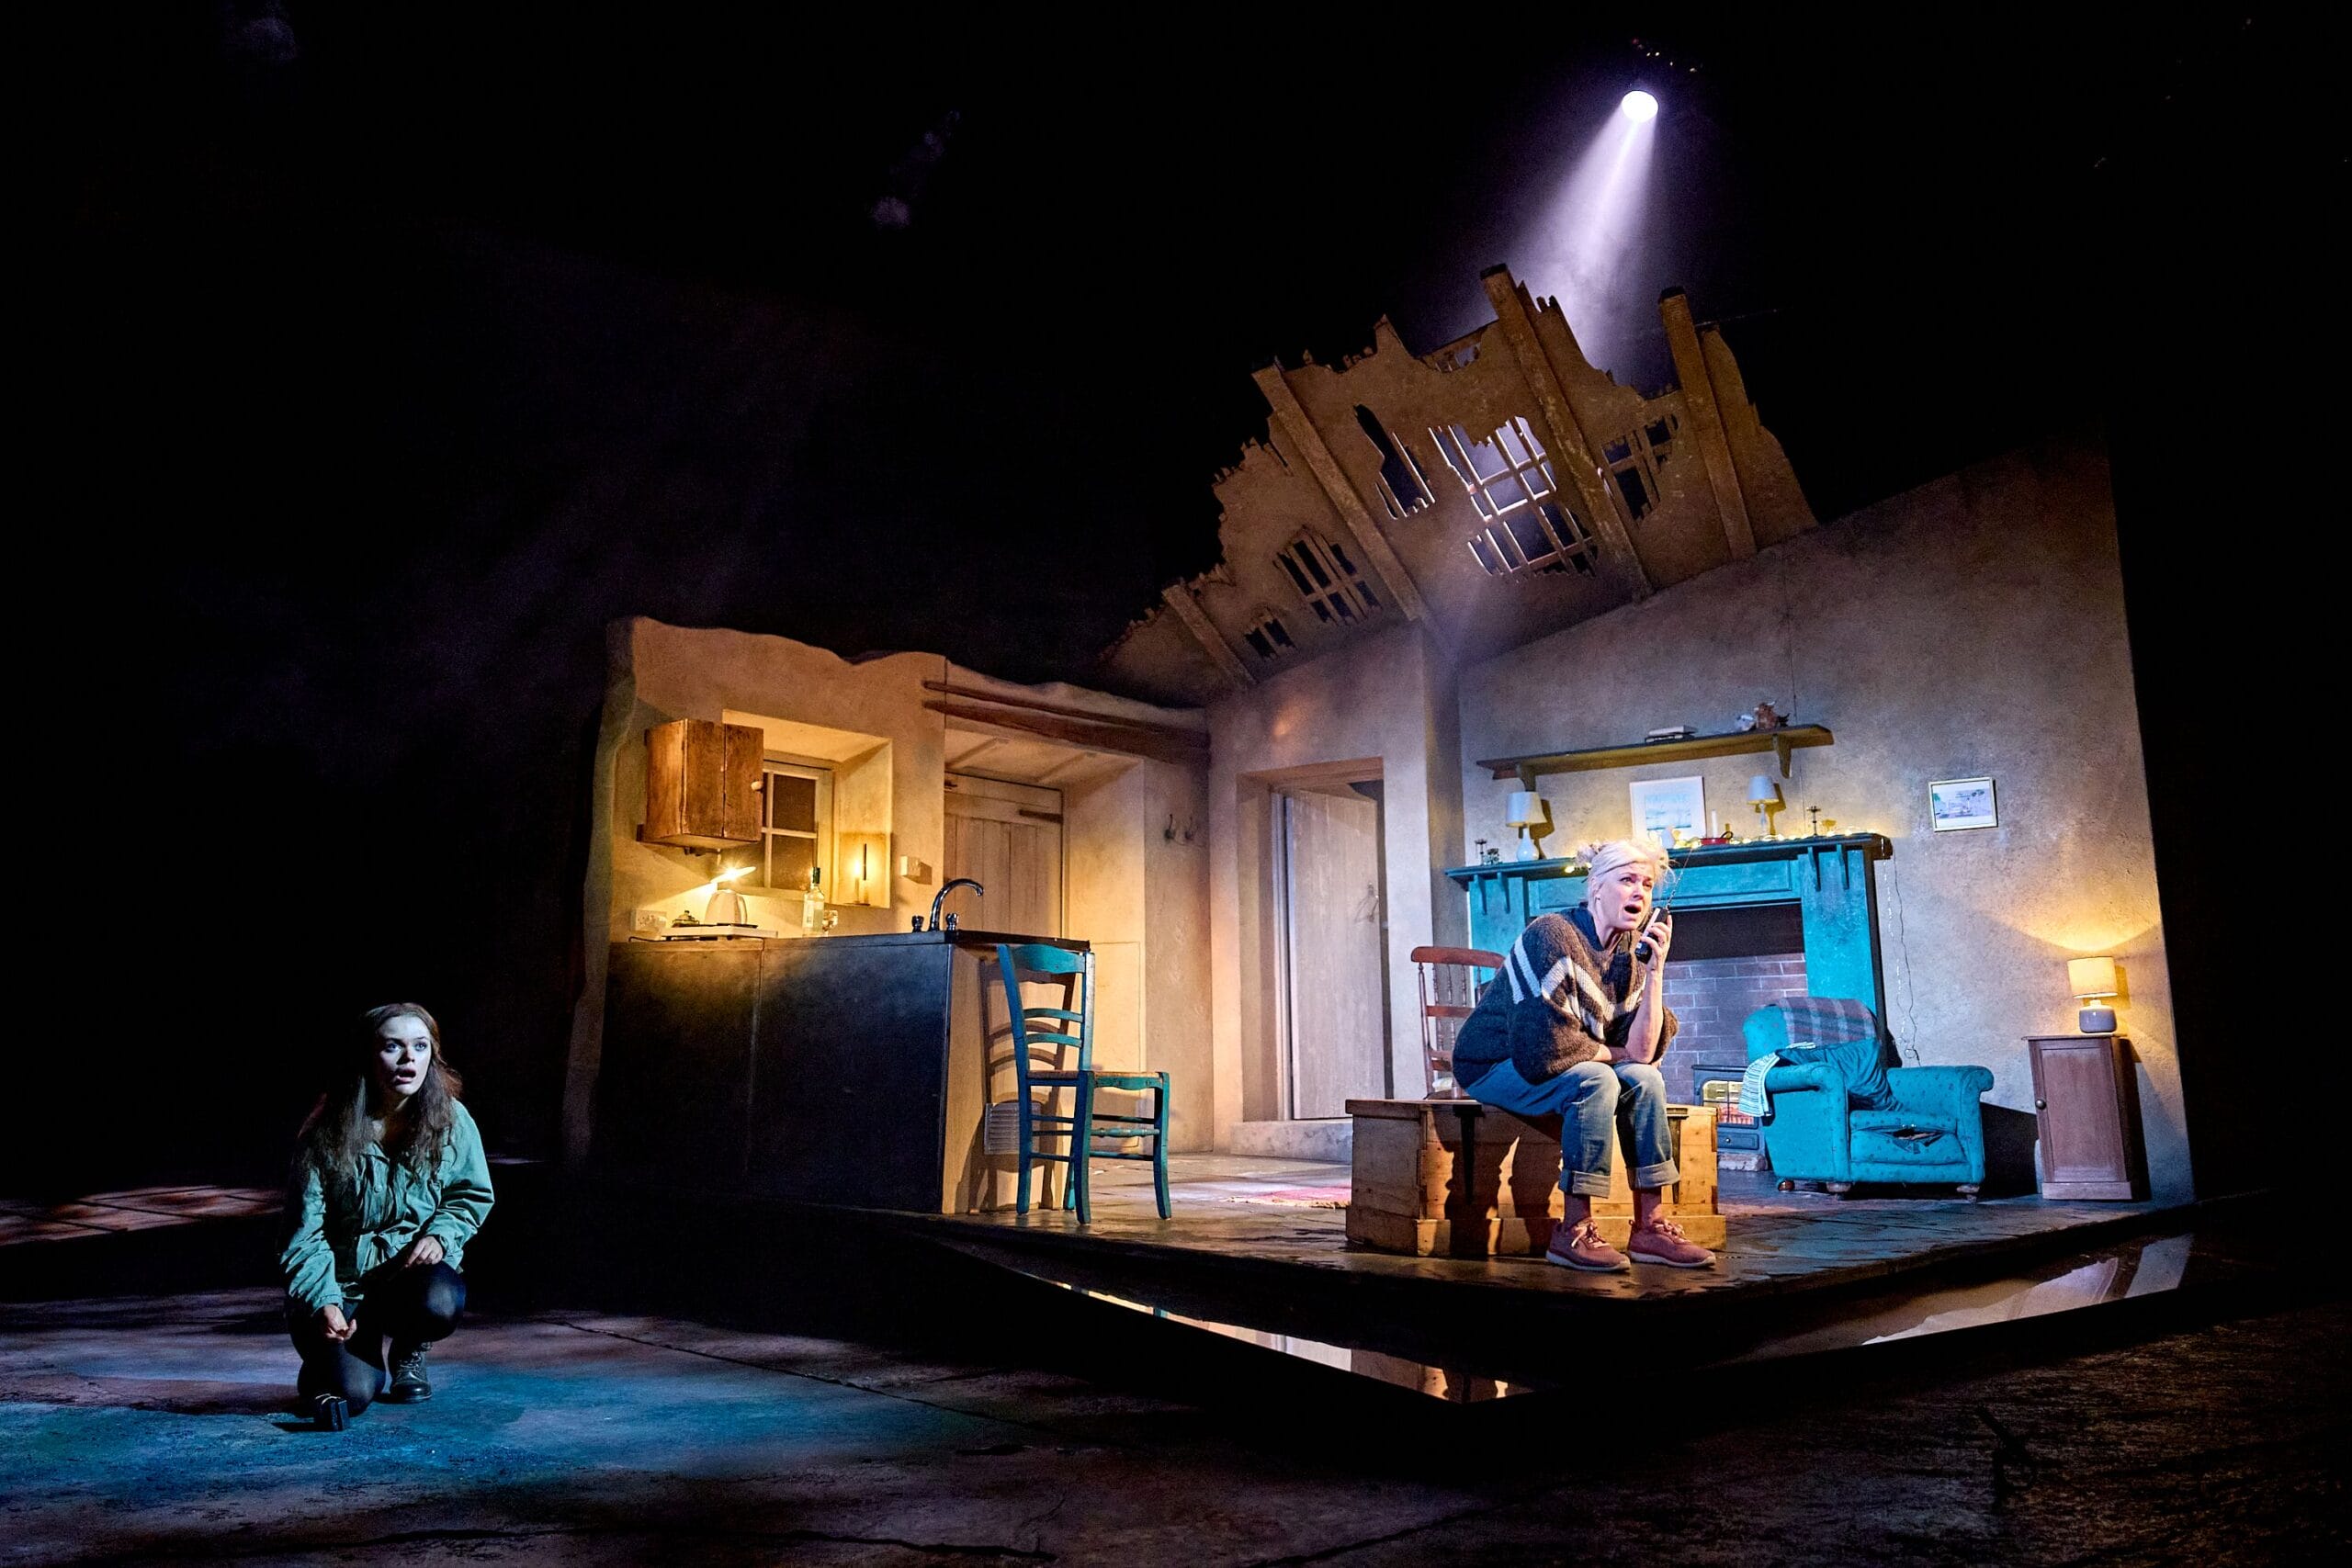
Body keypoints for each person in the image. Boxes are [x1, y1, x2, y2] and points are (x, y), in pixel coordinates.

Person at [1449, 839, 1716, 1272]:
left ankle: (1650, 1226)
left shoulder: (1631, 953)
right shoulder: (1552, 934)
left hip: (1564, 1060)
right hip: (1495, 1063)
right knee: (1597, 1078)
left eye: (1647, 885)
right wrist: (1616, 1054)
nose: (1639, 893)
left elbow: (1643, 1054)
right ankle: (1574, 1230)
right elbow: (1543, 1052)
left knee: (1646, 1080)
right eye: (1627, 880)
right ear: (1595, 887)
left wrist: (1656, 971)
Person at [279, 1002, 494, 1428]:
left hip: (405, 1277)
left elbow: (470, 1194)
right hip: (342, 1284)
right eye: (392, 1047)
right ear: (367, 1055)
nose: (408, 1059)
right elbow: (304, 1233)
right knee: (353, 1393)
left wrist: (440, 1236)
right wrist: (323, 1301)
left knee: (440, 1299)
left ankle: (409, 1348)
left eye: (419, 1046)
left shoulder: (451, 1120)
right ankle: (330, 1365)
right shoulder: (326, 1130)